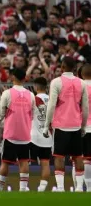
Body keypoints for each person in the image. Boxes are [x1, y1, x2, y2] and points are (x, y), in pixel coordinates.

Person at [43, 57, 89, 192]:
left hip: (61, 124)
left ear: (62, 67)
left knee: (59, 156)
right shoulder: (81, 83)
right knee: (78, 157)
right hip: (76, 124)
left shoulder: (56, 82)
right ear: (75, 68)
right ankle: (80, 188)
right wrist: (83, 126)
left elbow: (51, 105)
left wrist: (46, 125)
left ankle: (61, 188)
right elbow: (85, 107)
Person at [0, 68, 35, 192]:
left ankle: (0, 188)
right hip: (25, 134)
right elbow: (32, 115)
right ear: (25, 78)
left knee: (5, 162)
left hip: (10, 134)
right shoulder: (31, 95)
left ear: (12, 77)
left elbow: (1, 113)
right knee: (24, 162)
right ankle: (23, 189)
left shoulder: (7, 93)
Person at [29, 76, 53, 192]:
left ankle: (23, 187)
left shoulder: (32, 99)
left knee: (25, 162)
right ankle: (42, 189)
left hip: (33, 137)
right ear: (46, 87)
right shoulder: (52, 100)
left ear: (35, 86)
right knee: (45, 163)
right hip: (47, 138)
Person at [81, 64, 91, 191]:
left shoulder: (79, 86)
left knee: (77, 159)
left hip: (81, 126)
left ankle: (79, 187)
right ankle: (89, 188)